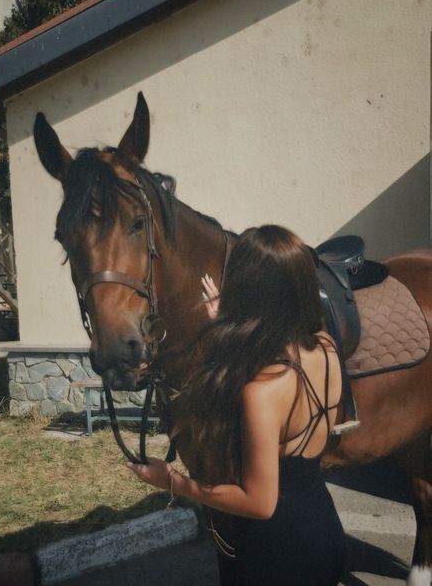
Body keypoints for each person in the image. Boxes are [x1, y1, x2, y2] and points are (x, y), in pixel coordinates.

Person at [127, 225, 348, 585]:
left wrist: (172, 482)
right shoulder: (325, 347)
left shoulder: (261, 390)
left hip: (276, 555)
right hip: (325, 532)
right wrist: (223, 326)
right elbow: (270, 353)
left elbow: (261, 503)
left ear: (247, 289)